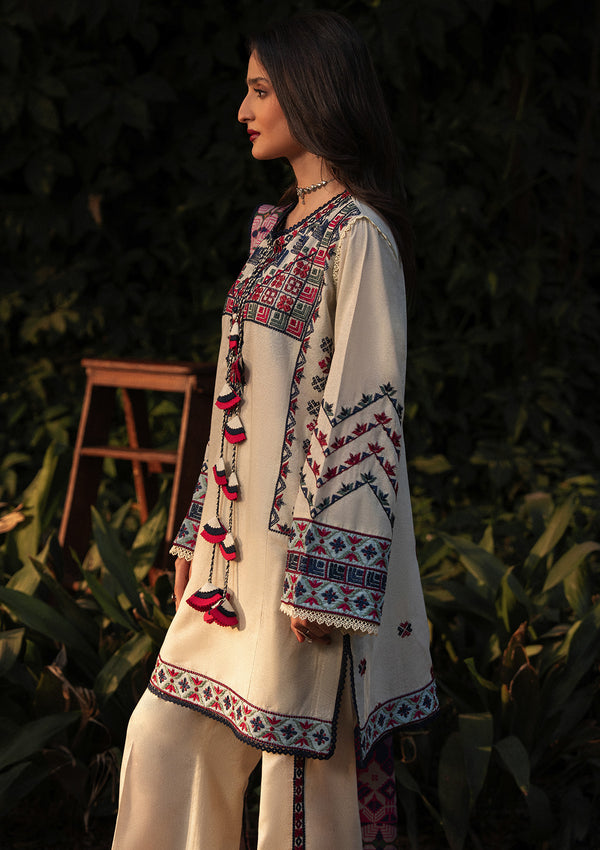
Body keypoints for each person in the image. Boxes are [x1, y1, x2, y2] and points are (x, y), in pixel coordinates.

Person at [112, 10, 437, 849]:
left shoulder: (357, 237)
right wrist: (197, 532)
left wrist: (328, 581)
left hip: (301, 575)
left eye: (260, 90)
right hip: (230, 573)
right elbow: (237, 400)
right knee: (163, 740)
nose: (243, 109)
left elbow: (367, 406)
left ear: (310, 90)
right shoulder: (275, 233)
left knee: (300, 794)